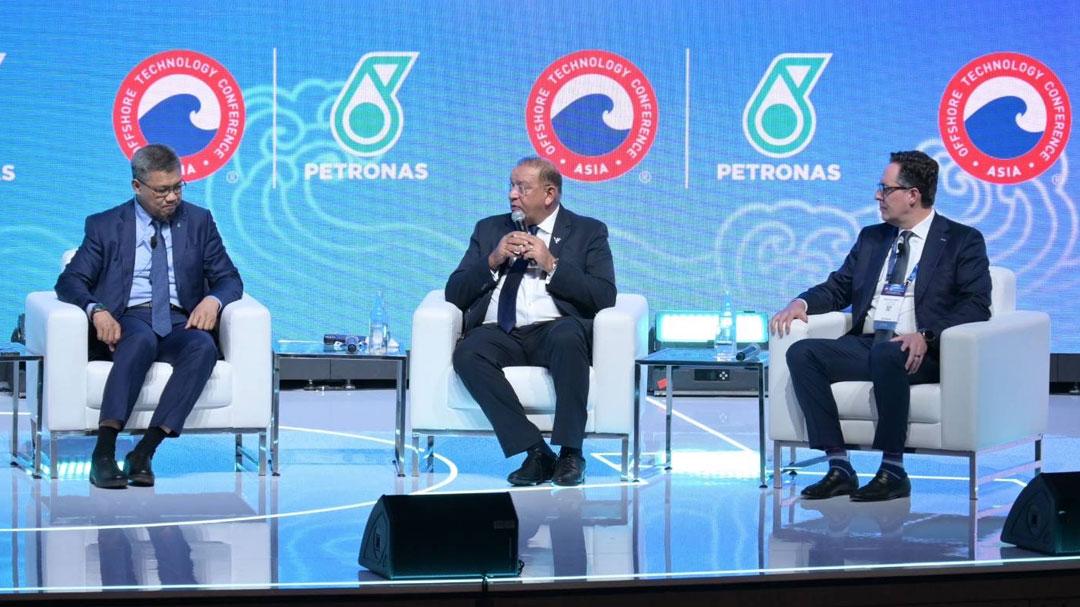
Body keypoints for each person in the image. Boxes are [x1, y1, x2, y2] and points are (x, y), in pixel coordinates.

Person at [769, 150, 991, 501]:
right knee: (803, 353)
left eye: (885, 189)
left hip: (922, 350)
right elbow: (839, 287)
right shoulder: (872, 238)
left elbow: (976, 303)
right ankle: (839, 466)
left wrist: (927, 335)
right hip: (870, 343)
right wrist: (802, 303)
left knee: (888, 354)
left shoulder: (962, 240)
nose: (878, 196)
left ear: (913, 195)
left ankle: (892, 469)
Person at [55, 144, 243, 489]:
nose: (172, 197)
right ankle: (103, 453)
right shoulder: (106, 225)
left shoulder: (199, 221)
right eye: (162, 190)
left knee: (202, 347)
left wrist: (213, 301)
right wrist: (97, 311)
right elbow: (70, 280)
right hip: (129, 317)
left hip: (178, 318)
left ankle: (144, 452)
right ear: (137, 186)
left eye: (178, 187)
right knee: (139, 341)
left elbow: (229, 278)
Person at [446, 156, 616, 487]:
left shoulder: (588, 231)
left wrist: (552, 264)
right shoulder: (489, 229)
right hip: (501, 332)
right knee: (468, 352)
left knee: (568, 336)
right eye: (511, 186)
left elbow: (603, 296)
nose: (512, 194)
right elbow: (455, 292)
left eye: (522, 188)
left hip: (554, 329)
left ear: (549, 194)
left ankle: (571, 453)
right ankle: (536, 451)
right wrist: (493, 259)